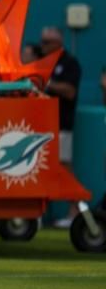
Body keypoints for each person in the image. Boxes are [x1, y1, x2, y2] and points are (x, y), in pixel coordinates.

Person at [39, 27, 81, 227]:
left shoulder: (69, 64)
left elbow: (70, 91)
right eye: (43, 42)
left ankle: (76, 210)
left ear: (58, 43)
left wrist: (48, 84)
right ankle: (37, 210)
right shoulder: (42, 61)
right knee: (37, 167)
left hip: (61, 123)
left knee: (63, 167)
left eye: (47, 42)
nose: (43, 46)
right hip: (41, 123)